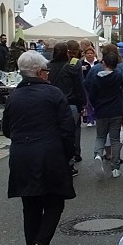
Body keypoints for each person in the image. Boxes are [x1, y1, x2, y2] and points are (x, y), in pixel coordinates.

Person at [2, 50, 75, 245]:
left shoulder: (13, 97)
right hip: (50, 153)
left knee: (30, 206)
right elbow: (67, 129)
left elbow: (6, 130)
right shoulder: (53, 94)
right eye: (46, 70)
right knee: (54, 201)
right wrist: (67, 154)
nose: (48, 74)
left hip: (21, 155)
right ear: (39, 72)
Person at [85, 49, 123, 178]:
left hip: (101, 111)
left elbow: (91, 96)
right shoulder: (118, 76)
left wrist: (96, 105)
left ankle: (98, 155)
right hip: (116, 111)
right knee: (115, 139)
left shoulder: (97, 78)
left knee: (100, 137)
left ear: (104, 63)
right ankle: (115, 168)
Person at [47, 42, 86, 171]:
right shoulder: (74, 65)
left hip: (52, 105)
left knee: (54, 133)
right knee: (72, 131)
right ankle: (73, 158)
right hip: (71, 104)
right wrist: (83, 102)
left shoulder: (47, 66)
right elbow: (79, 86)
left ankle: (55, 161)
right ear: (67, 53)